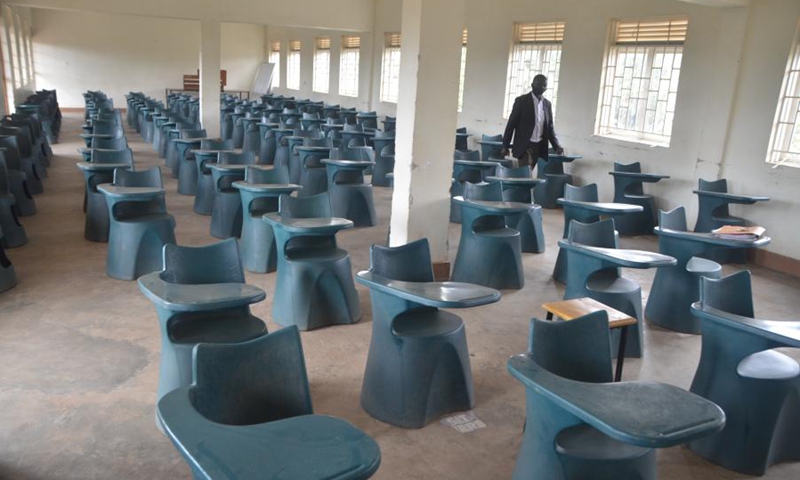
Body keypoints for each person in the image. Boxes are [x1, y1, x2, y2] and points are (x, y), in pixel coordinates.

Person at [501, 74, 564, 169]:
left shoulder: (547, 104)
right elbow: (511, 124)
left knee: (531, 174)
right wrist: (505, 145)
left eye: (544, 85)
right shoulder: (521, 101)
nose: (542, 87)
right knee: (525, 173)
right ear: (532, 85)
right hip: (524, 146)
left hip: (539, 146)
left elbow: (550, 128)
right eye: (539, 84)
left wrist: (556, 146)